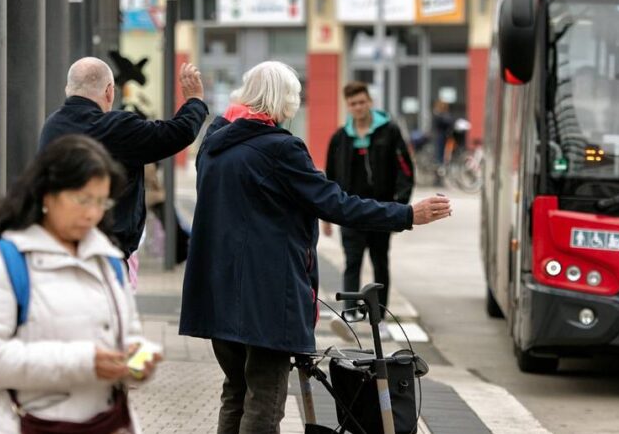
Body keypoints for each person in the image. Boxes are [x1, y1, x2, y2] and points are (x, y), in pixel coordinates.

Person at [179, 61, 451, 433]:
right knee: (265, 400)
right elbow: (336, 203)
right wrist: (406, 214)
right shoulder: (280, 149)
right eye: (293, 99)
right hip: (266, 299)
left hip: (217, 292)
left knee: (236, 392)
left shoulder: (214, 144)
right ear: (281, 101)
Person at [0, 135, 162, 433]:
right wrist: (85, 362)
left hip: (107, 421)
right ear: (47, 195)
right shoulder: (4, 262)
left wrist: (138, 361)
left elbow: (129, 336)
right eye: (82, 199)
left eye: (101, 201)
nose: (92, 213)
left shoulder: (108, 263)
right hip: (30, 423)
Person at [39, 57, 209, 278]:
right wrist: (194, 101)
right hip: (106, 255)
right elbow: (175, 134)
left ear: (68, 89)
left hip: (59, 248)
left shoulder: (52, 126)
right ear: (110, 91)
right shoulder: (115, 128)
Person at [323, 81, 415, 338]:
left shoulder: (389, 132)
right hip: (349, 213)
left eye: (362, 102)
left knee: (380, 263)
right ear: (348, 106)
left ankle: (380, 317)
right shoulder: (340, 138)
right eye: (353, 103)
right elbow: (329, 178)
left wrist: (400, 207)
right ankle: (350, 314)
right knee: (352, 263)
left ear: (370, 102)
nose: (359, 107)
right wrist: (326, 215)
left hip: (382, 212)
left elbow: (406, 171)